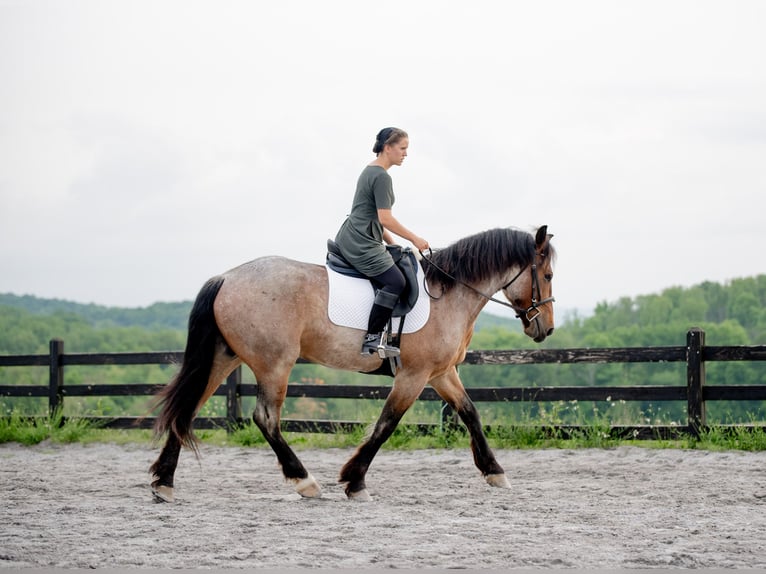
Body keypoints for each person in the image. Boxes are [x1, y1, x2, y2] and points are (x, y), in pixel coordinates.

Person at [334, 127, 430, 357]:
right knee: (396, 282)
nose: (406, 153)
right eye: (403, 148)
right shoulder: (382, 177)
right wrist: (414, 238)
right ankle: (372, 337)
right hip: (360, 240)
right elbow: (384, 217)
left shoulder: (371, 170)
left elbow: (373, 217)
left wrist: (393, 243)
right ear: (388, 147)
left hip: (358, 233)